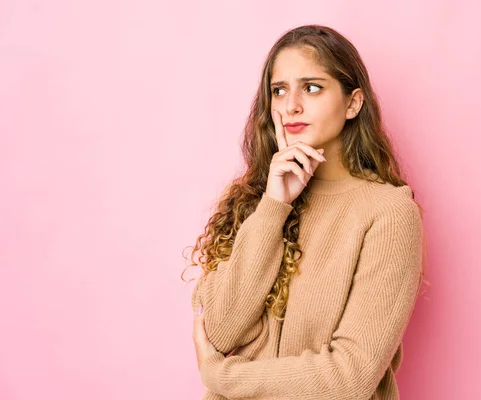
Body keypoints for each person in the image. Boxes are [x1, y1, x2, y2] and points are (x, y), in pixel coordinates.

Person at [183, 24, 428, 400]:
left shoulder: (388, 212)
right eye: (279, 90)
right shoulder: (256, 198)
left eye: (312, 87)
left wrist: (223, 376)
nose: (291, 105)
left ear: (353, 103)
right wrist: (273, 206)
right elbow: (217, 330)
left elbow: (351, 377)